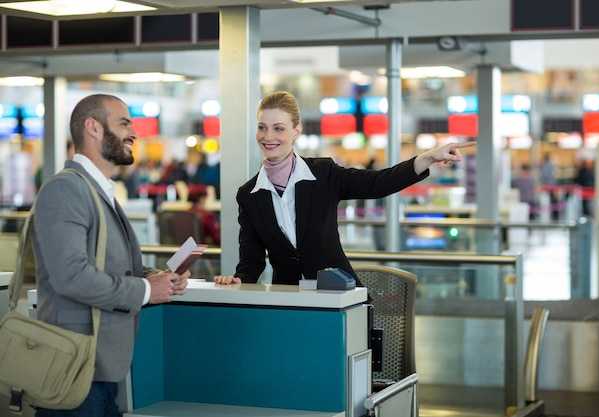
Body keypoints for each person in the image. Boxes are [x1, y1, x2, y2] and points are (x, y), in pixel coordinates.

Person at [32, 94, 189, 417]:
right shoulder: (66, 189)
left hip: (101, 367)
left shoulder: (98, 190)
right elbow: (71, 276)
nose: (133, 133)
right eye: (124, 124)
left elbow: (107, 265)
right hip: (74, 368)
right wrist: (145, 290)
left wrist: (156, 278)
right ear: (93, 127)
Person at [215, 91, 473, 286]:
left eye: (278, 128)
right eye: (262, 127)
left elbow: (378, 183)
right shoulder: (249, 194)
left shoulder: (323, 174)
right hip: (289, 301)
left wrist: (427, 157)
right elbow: (251, 260)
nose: (268, 136)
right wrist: (238, 279)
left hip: (339, 297)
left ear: (296, 131)